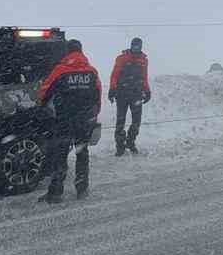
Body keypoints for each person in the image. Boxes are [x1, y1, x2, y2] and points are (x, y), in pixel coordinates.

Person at [37, 40, 100, 203]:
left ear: (67, 52)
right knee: (82, 153)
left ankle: (56, 192)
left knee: (60, 155)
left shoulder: (60, 70)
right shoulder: (91, 72)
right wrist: (93, 116)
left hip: (64, 119)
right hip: (84, 120)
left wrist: (45, 107)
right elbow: (97, 97)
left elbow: (44, 92)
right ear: (81, 51)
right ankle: (82, 189)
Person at [108, 37, 151, 156]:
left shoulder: (143, 60)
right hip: (122, 94)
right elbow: (114, 75)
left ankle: (131, 142)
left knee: (136, 122)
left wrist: (147, 91)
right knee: (120, 121)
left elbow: (144, 77)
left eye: (138, 46)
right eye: (134, 46)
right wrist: (112, 89)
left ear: (141, 47)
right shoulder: (122, 58)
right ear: (131, 45)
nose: (136, 48)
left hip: (136, 95)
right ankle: (120, 146)